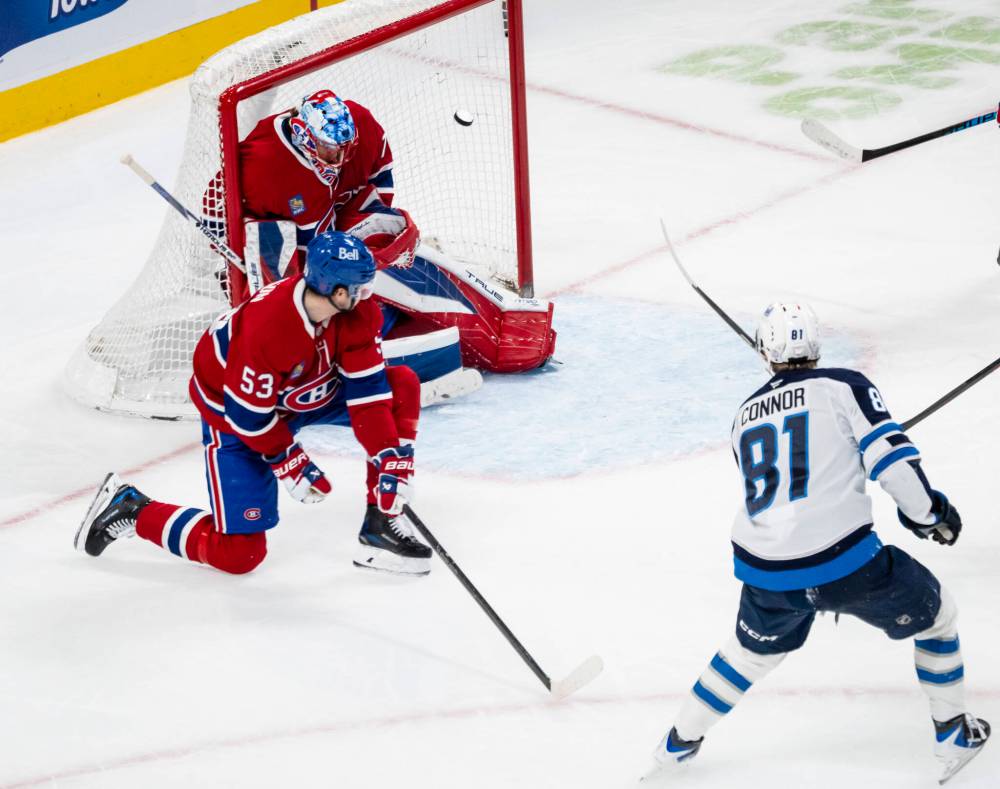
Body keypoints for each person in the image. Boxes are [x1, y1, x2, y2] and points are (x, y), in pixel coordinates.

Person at [643, 303, 990, 784]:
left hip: (767, 572)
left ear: (766, 351)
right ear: (816, 345)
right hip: (847, 563)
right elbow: (890, 463)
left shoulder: (743, 416)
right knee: (939, 619)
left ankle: (675, 746)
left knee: (745, 654)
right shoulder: (845, 386)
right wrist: (930, 515)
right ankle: (952, 733)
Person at [74, 231, 433, 577]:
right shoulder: (270, 328)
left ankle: (380, 525)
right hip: (235, 415)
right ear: (338, 292)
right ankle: (132, 509)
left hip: (301, 393)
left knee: (400, 383)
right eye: (360, 288)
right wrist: (287, 460)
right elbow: (246, 414)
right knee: (240, 554)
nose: (368, 295)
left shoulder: (358, 314)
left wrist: (388, 457)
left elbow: (369, 393)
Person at [208, 89, 555, 375]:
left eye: (344, 146)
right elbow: (216, 205)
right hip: (282, 250)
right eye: (330, 147)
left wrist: (365, 224)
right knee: (310, 295)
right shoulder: (264, 168)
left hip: (332, 228)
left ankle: (504, 332)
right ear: (303, 135)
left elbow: (380, 172)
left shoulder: (359, 128)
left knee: (389, 244)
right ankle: (305, 352)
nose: (340, 156)